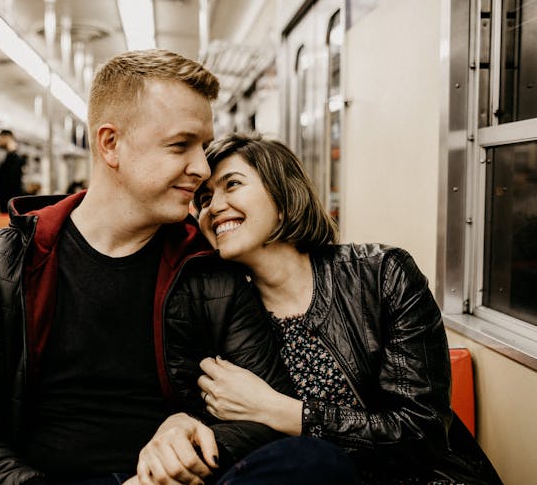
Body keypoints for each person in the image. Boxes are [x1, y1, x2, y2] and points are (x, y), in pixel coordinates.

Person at [0, 50, 356, 485]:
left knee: (314, 462)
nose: (202, 168)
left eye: (203, 147)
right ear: (110, 144)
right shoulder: (8, 261)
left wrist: (194, 441)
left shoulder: (206, 266)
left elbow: (265, 408)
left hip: (175, 480)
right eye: (179, 145)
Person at [193, 133, 503, 484]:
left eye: (231, 185)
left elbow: (421, 434)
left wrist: (279, 411)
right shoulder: (224, 314)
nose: (213, 207)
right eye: (203, 199)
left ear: (283, 196)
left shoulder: (382, 274)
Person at [0, 129, 26, 212]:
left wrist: (12, 152)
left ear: (8, 138)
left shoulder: (14, 158)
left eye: (0, 138)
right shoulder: (8, 157)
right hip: (6, 202)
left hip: (10, 203)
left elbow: (12, 180)